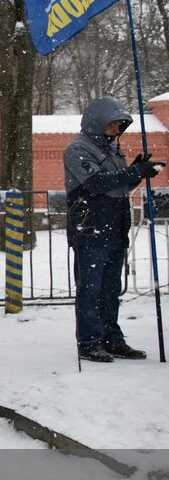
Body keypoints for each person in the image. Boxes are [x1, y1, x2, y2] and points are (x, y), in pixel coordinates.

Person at [64, 98, 161, 362]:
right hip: (91, 228)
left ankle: (111, 338)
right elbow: (96, 183)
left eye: (120, 125)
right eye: (113, 124)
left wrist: (137, 172)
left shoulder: (113, 150)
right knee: (90, 289)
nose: (117, 129)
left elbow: (118, 187)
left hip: (115, 228)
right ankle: (89, 341)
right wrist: (132, 173)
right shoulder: (78, 150)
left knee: (110, 289)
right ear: (98, 121)